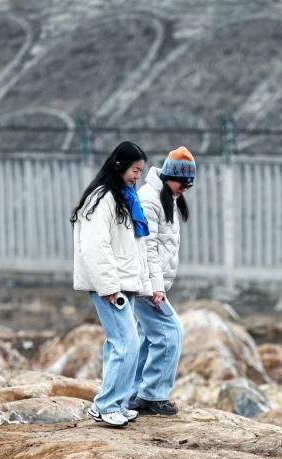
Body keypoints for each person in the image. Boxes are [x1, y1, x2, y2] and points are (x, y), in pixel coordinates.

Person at [71, 141, 151, 428]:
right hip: (110, 287)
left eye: (141, 171)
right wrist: (108, 287)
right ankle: (105, 405)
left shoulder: (124, 197)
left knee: (124, 342)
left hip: (122, 283)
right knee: (125, 342)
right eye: (134, 170)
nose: (137, 176)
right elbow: (95, 246)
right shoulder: (102, 199)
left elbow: (133, 246)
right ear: (119, 165)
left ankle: (117, 401)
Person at [125, 146, 195, 416]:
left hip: (151, 283)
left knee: (148, 338)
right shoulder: (150, 199)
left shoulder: (166, 197)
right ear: (169, 176)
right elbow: (147, 247)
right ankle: (152, 395)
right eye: (182, 183)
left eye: (189, 185)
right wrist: (155, 287)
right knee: (170, 332)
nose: (184, 189)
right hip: (145, 284)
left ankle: (134, 393)